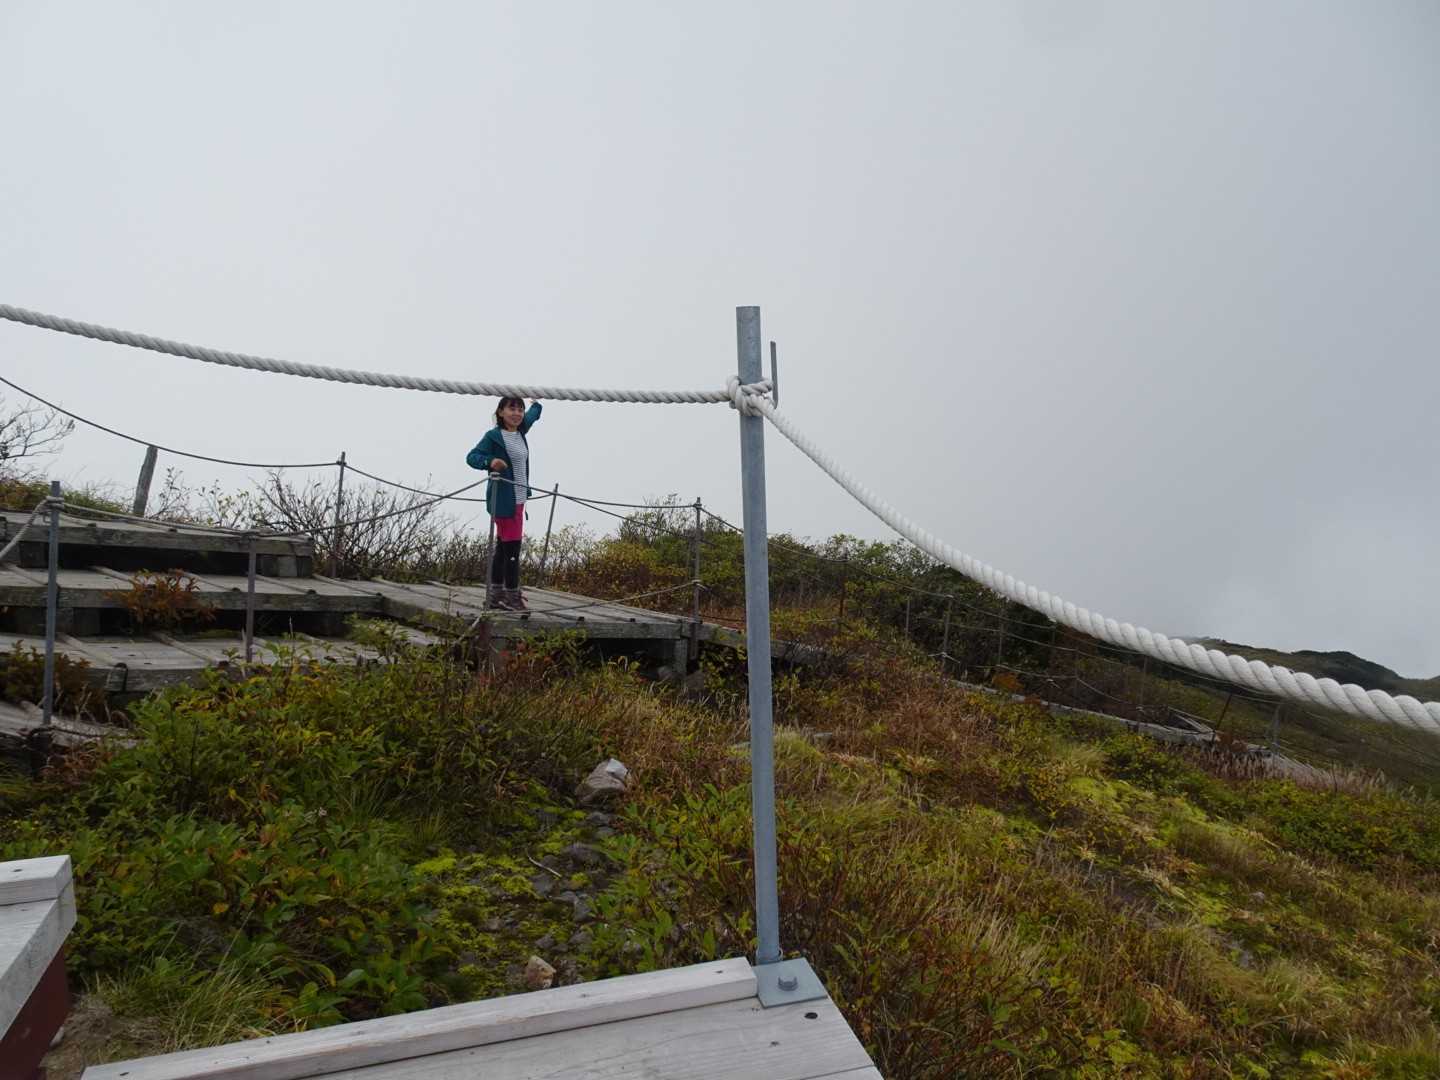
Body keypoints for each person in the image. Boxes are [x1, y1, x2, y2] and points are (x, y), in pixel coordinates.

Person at [466, 396, 542, 610]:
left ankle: (496, 595)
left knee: (503, 547)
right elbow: (472, 457)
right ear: (500, 412)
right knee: (512, 550)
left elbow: (532, 416)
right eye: (511, 409)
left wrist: (536, 403)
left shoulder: (521, 430)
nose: (517, 413)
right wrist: (490, 461)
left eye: (520, 409)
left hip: (519, 499)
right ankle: (511, 596)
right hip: (504, 500)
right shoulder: (493, 436)